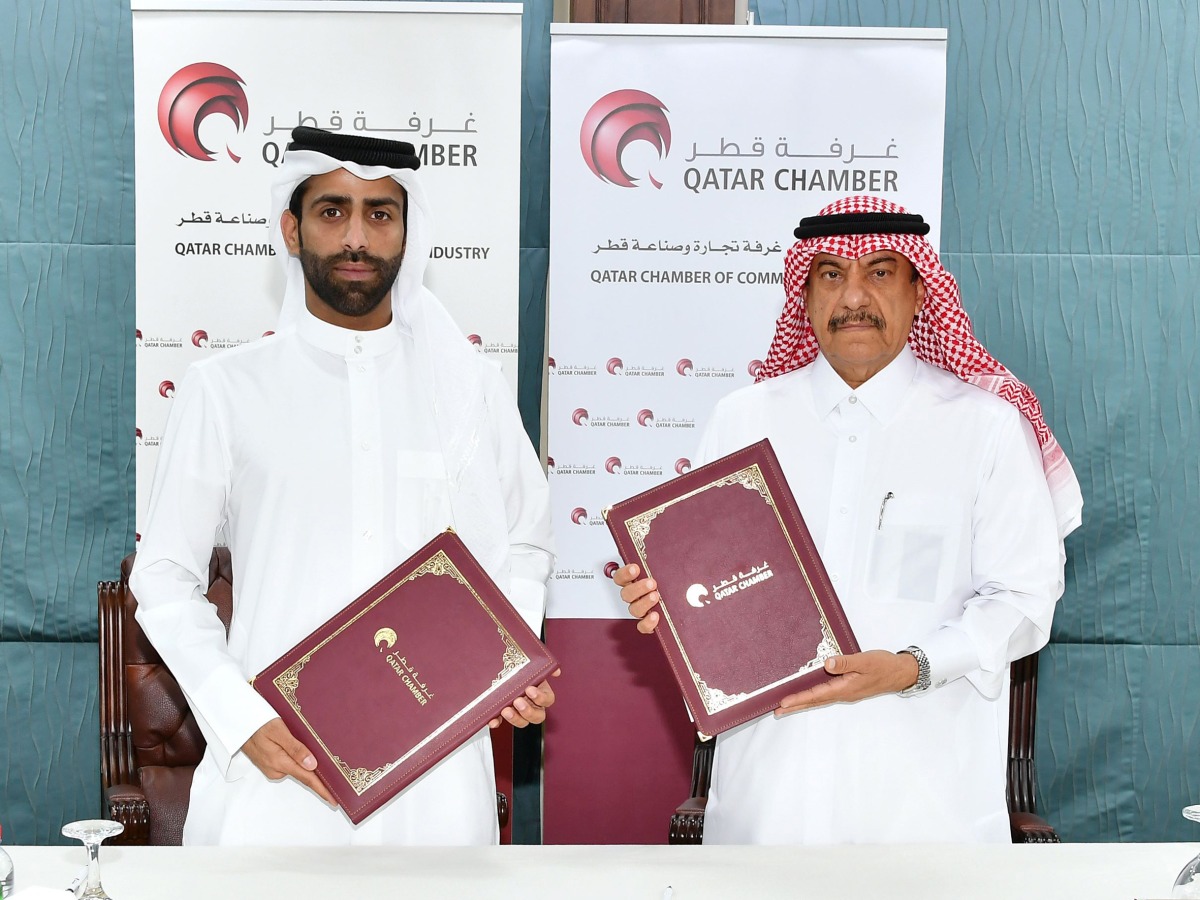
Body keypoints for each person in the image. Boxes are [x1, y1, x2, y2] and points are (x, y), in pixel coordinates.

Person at [130, 127, 556, 846]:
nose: (356, 236)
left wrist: (501, 668)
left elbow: (525, 544)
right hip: (276, 776)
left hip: (436, 784)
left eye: (380, 214)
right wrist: (239, 715)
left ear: (407, 234)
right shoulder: (225, 390)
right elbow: (164, 575)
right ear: (291, 230)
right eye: (332, 211)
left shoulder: (470, 390)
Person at [614, 195, 1082, 844]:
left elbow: (1024, 601)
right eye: (831, 275)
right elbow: (710, 593)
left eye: (881, 273)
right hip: (765, 814)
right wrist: (667, 601)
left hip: (925, 817)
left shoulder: (987, 428)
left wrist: (912, 666)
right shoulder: (742, 420)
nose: (854, 297)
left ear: (920, 294)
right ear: (804, 298)